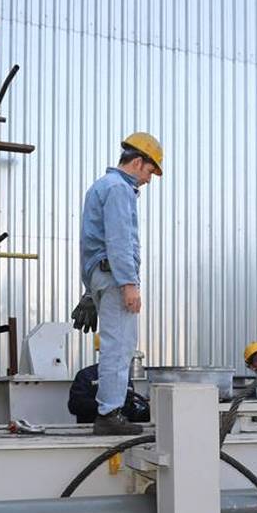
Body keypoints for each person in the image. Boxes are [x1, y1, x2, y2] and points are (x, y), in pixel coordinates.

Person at [79, 131, 163, 436]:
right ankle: (109, 414)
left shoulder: (101, 186)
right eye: (150, 171)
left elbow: (92, 242)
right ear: (138, 162)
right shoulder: (119, 189)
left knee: (115, 344)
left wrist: (90, 291)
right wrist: (129, 283)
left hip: (102, 275)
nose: (149, 179)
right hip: (115, 277)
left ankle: (109, 411)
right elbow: (119, 240)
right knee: (120, 345)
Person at [68, 334, 150, 425]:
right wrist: (108, 407)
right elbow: (75, 406)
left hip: (120, 429)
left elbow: (130, 412)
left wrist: (146, 414)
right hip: (91, 429)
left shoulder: (124, 377)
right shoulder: (86, 375)